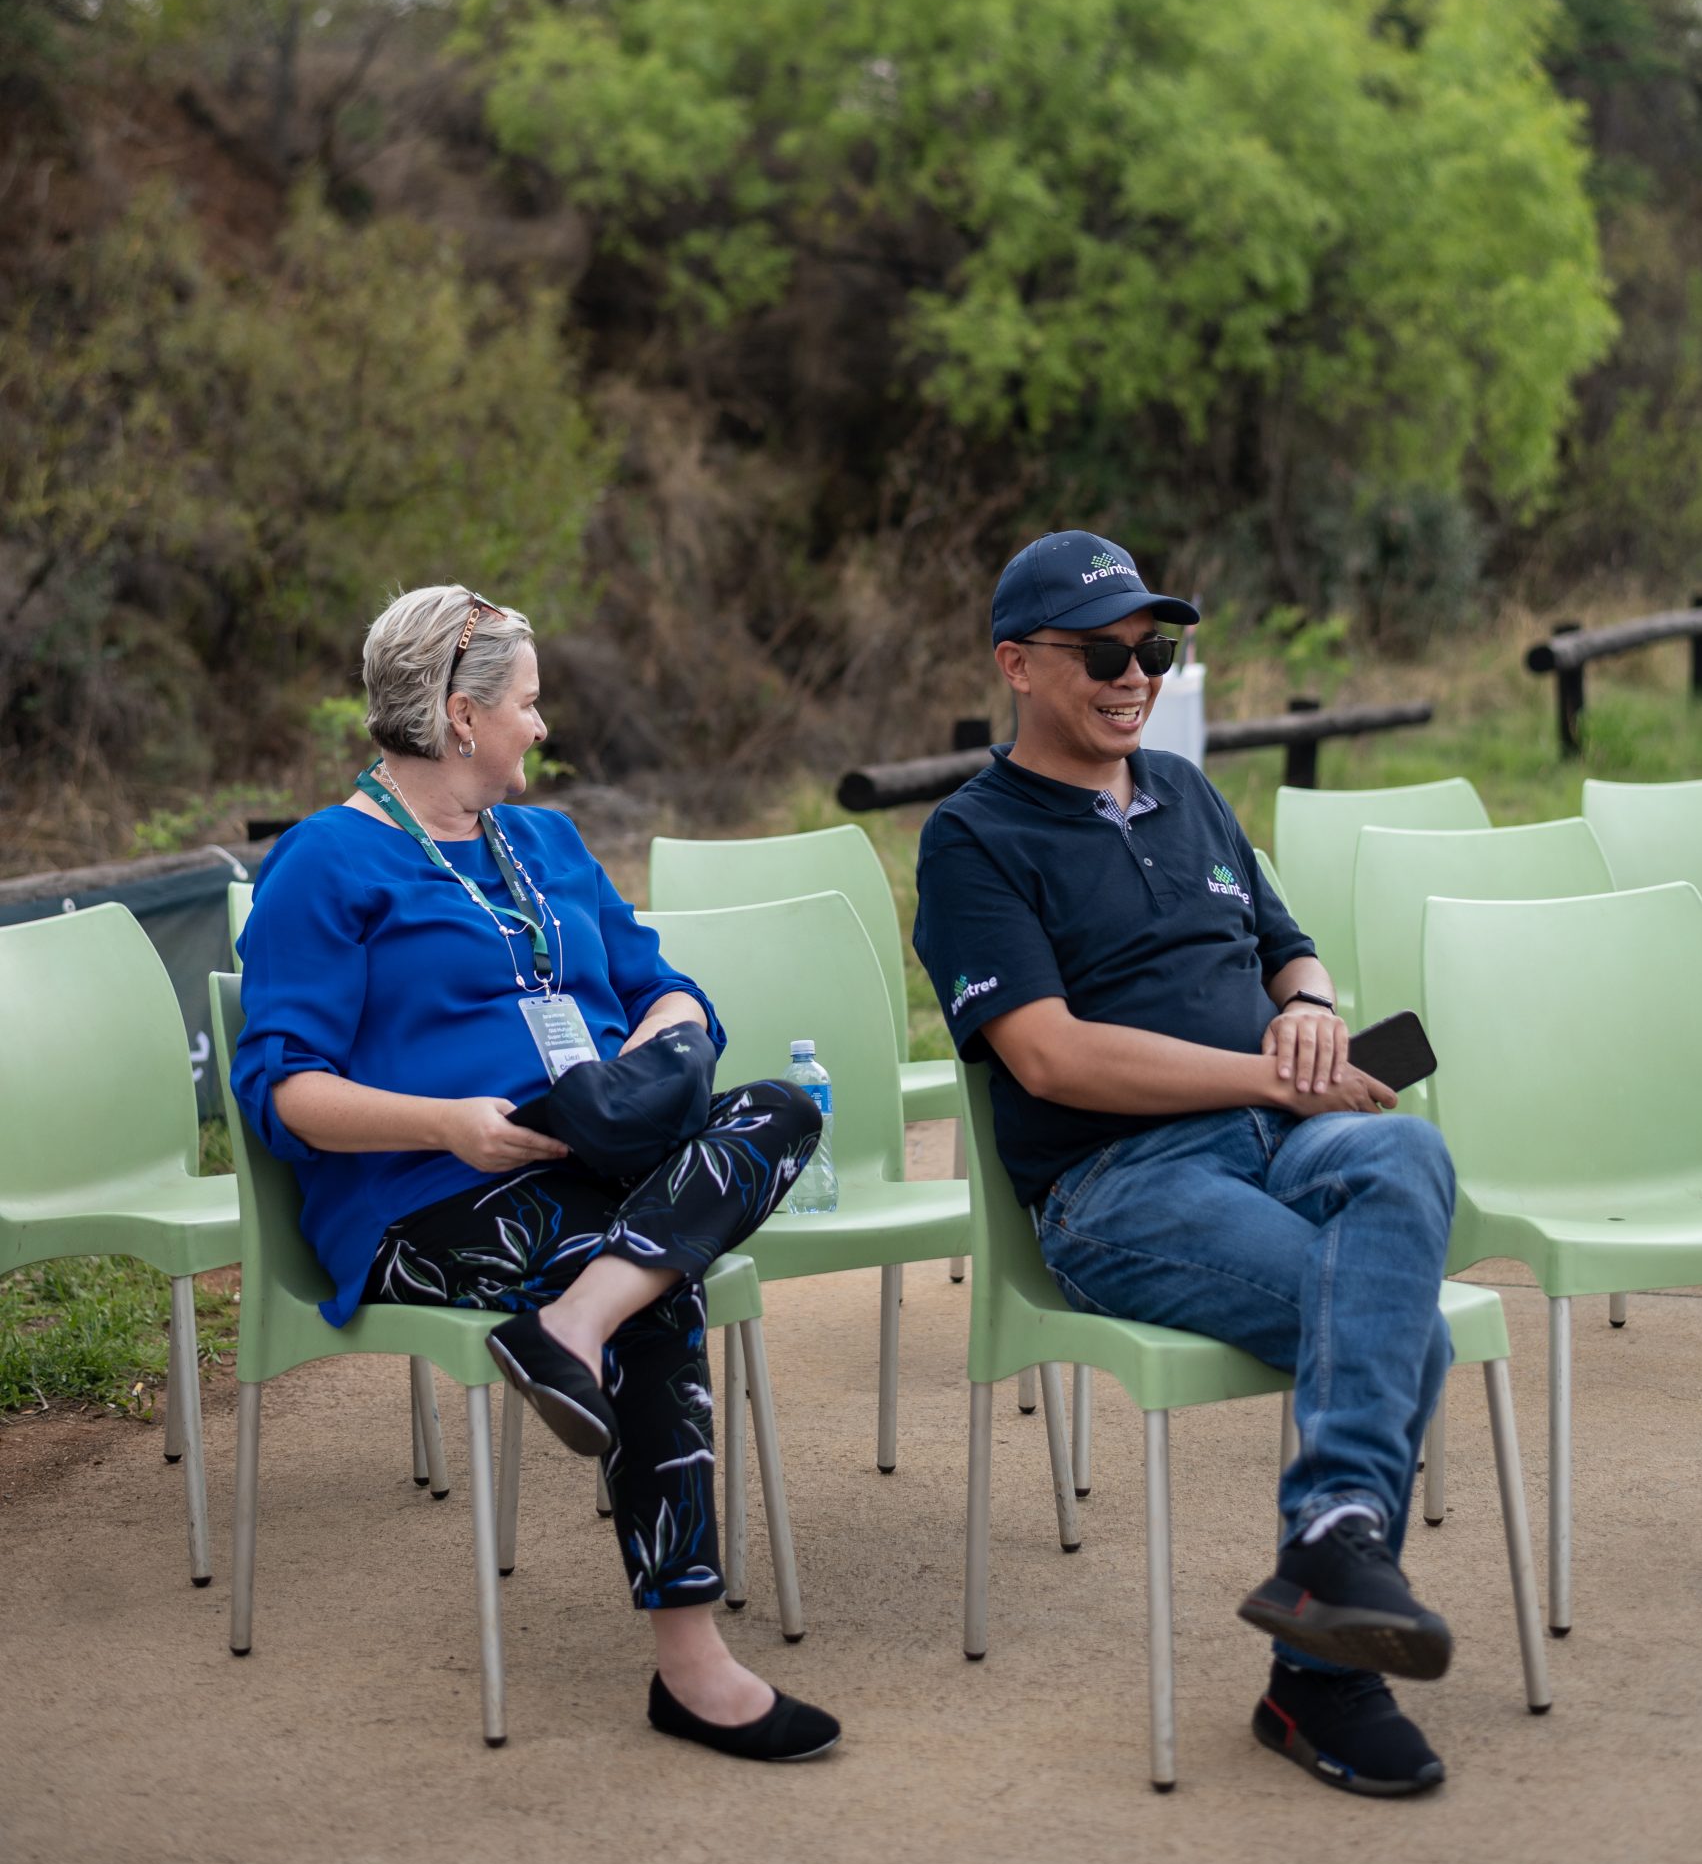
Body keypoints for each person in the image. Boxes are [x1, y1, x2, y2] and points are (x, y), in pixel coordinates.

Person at [232, 582, 839, 1763]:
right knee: (659, 1281)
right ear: (460, 717)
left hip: (599, 1150)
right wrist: (446, 1124)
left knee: (773, 1109)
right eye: (527, 704)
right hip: (433, 1193)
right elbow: (280, 1089)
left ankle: (571, 1323)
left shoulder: (547, 841)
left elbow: (664, 981)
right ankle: (691, 1665)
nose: (541, 727)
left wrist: (658, 1042)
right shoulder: (326, 863)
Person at [913, 531, 1458, 1799]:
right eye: (1102, 652)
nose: (1134, 676)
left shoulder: (1185, 790)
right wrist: (1267, 1073)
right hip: (1120, 1186)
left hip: (1285, 1137)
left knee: (1401, 1152)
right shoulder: (971, 838)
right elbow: (1046, 1058)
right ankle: (1323, 1674)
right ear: (1017, 665)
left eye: (1152, 650)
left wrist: (1310, 1010)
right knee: (1401, 1331)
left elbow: (1287, 943)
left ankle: (1328, 1550)